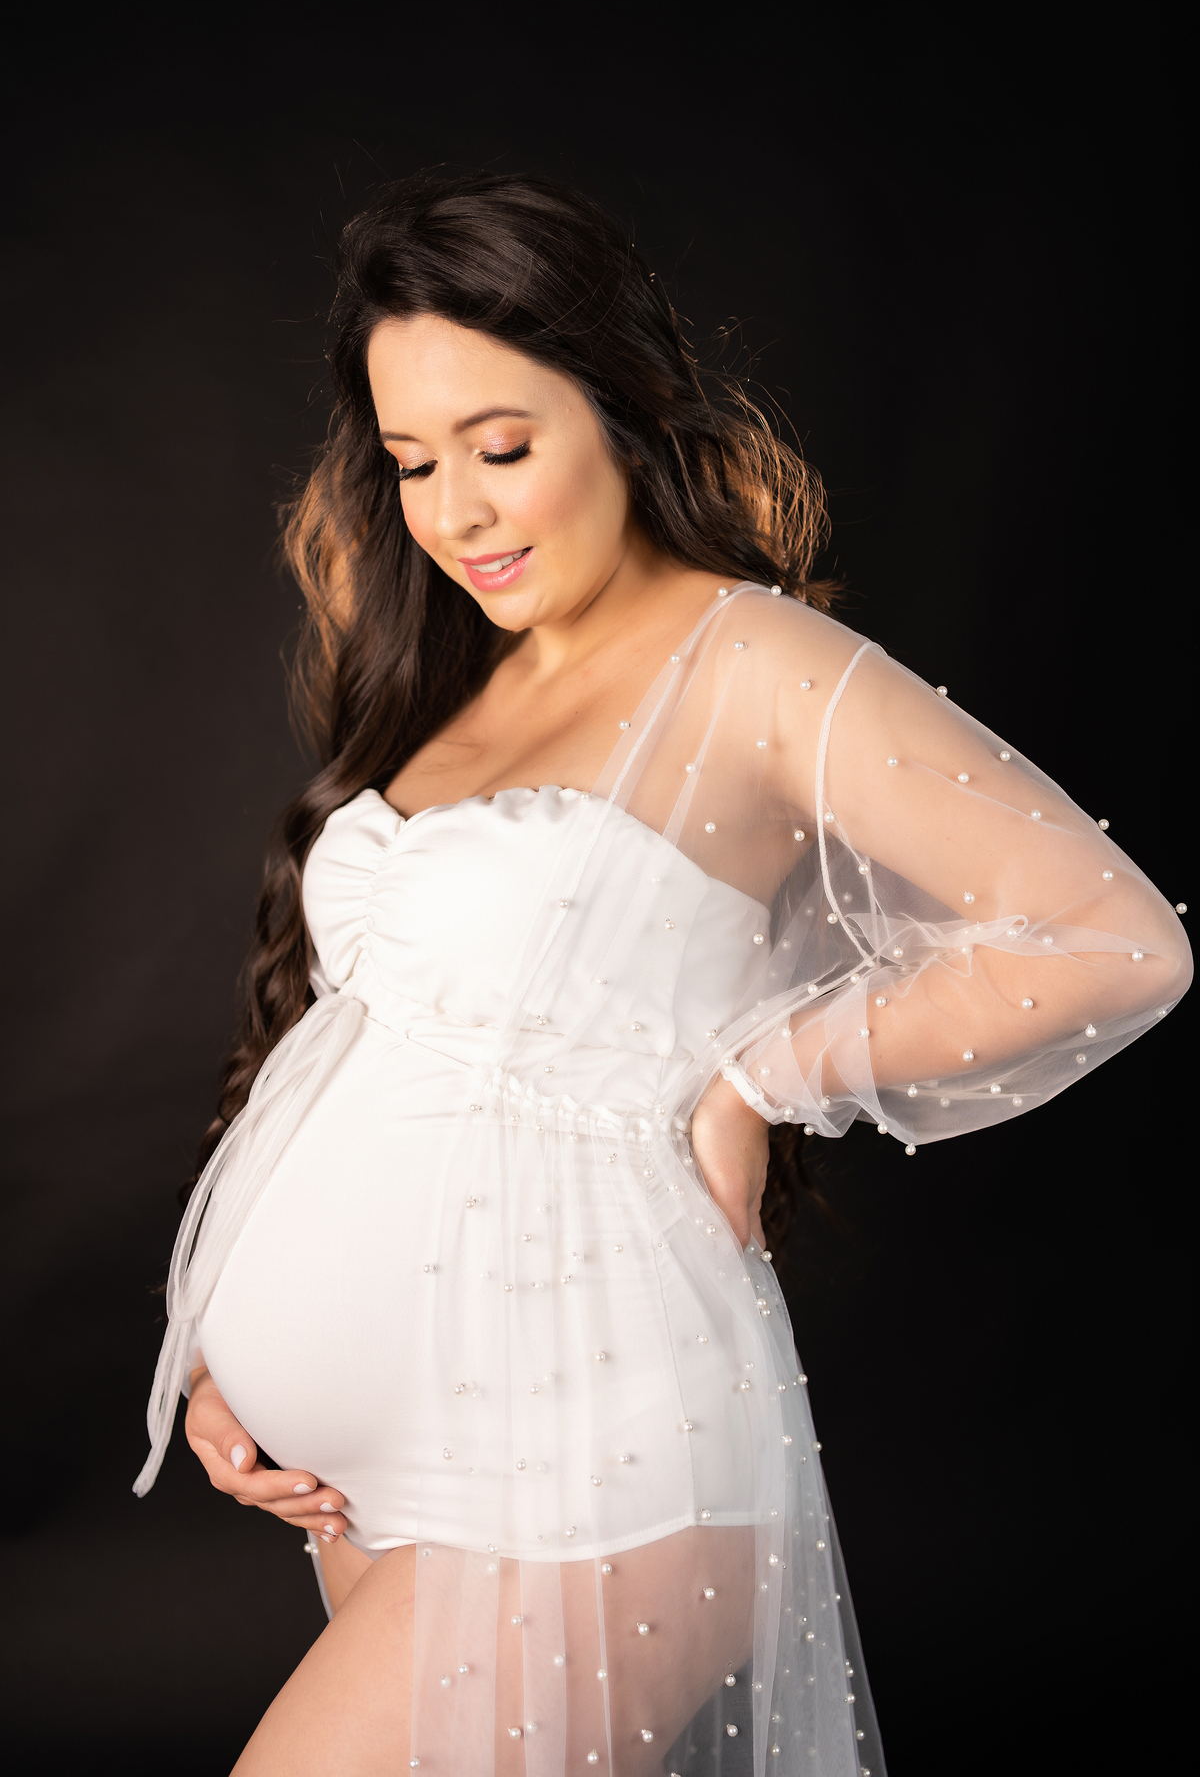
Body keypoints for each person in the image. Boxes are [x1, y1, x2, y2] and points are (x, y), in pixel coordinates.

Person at [134, 172, 1191, 1776]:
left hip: (582, 1448)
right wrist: (221, 1341)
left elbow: (1116, 939)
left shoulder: (753, 662)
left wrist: (761, 1075)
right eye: (413, 463)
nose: (455, 513)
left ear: (621, 415)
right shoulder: (458, 671)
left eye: (501, 447)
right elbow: (379, 1032)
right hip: (362, 1478)